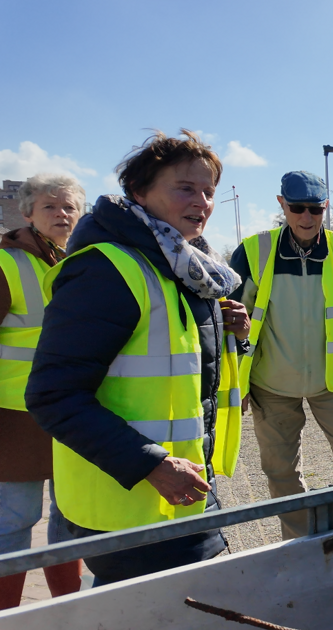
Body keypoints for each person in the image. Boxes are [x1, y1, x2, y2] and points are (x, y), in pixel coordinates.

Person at [26, 130, 247, 585]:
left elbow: (179, 371)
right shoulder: (107, 267)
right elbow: (53, 394)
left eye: (209, 191)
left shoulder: (184, 267)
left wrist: (232, 339)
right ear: (139, 193)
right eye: (185, 187)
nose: (202, 201)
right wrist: (150, 463)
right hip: (129, 502)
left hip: (177, 492)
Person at [229, 171, 333, 540]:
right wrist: (236, 381)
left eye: (316, 209)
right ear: (282, 205)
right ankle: (298, 543)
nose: (307, 217)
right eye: (298, 208)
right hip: (271, 383)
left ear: (325, 207)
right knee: (279, 470)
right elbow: (231, 324)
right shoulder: (252, 251)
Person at [0, 174, 84, 608]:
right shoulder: (6, 263)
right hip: (15, 422)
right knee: (12, 523)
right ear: (27, 212)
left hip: (73, 417)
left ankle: (67, 612)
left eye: (69, 207)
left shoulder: (81, 262)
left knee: (70, 519)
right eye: (50, 206)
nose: (62, 214)